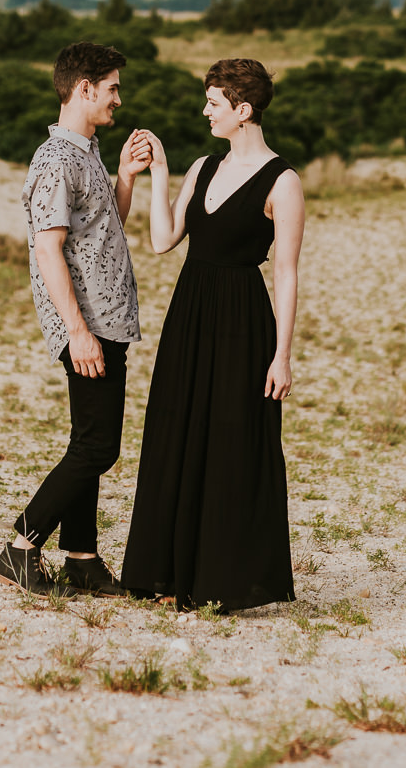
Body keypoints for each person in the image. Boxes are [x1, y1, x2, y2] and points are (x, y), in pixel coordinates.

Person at [119, 58, 303, 612]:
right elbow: (161, 240)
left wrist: (283, 355)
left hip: (245, 322)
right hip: (190, 314)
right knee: (177, 433)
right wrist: (159, 174)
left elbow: (288, 274)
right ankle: (171, 570)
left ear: (243, 111)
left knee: (232, 441)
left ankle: (224, 578)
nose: (205, 111)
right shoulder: (202, 166)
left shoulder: (284, 182)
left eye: (214, 103)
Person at [0, 42, 151, 596]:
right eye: (111, 88)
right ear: (83, 88)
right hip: (88, 325)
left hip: (108, 320)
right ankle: (21, 547)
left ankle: (82, 558)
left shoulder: (87, 150)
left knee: (87, 440)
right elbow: (47, 249)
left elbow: (105, 231)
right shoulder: (58, 159)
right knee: (97, 448)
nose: (118, 99)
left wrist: (126, 178)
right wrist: (78, 332)